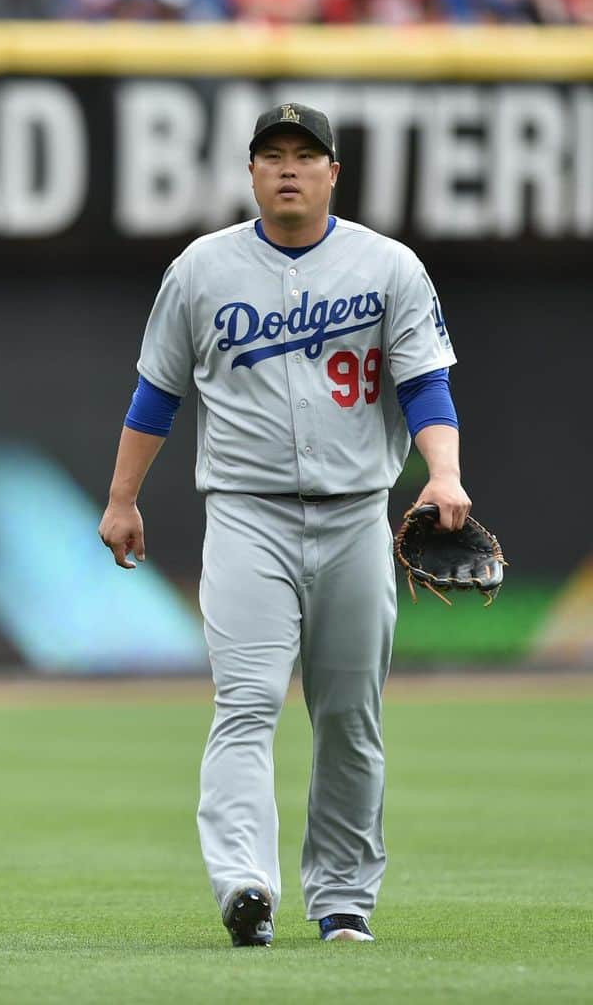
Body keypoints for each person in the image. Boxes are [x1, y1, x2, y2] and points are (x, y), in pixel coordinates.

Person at [98, 103, 468, 947]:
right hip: (246, 515)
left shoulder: (389, 265)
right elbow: (156, 394)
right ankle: (246, 885)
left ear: (334, 171)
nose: (290, 167)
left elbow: (425, 386)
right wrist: (123, 497)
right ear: (253, 172)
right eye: (274, 155)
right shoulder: (201, 269)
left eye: (307, 154)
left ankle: (343, 898)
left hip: (355, 518)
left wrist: (443, 473)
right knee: (248, 701)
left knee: (349, 715)